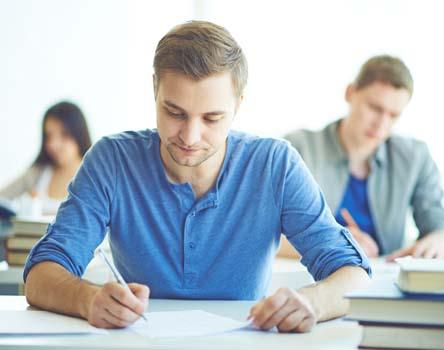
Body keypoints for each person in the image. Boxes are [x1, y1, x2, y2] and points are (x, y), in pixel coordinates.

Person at [24, 21, 370, 333]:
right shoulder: (111, 160)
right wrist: (88, 299)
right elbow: (40, 275)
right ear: (154, 90)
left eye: (212, 118)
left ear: (238, 105)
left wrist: (313, 301)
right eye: (174, 112)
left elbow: (355, 275)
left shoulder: (275, 165)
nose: (189, 136)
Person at [284, 55, 444, 261]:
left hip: (385, 279)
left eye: (393, 115)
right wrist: (335, 242)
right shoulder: (298, 148)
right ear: (350, 93)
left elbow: (436, 223)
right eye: (375, 108)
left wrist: (437, 238)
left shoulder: (415, 157)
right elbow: (264, 231)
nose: (382, 123)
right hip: (310, 276)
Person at [0, 101, 92, 216]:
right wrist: (25, 206)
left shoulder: (94, 177)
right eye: (49, 136)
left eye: (64, 135)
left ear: (79, 135)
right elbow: (2, 199)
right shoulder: (37, 173)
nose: (54, 144)